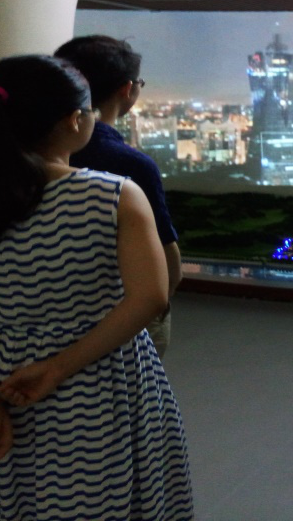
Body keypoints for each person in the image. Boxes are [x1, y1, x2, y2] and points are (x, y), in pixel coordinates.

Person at [0, 55, 194, 519]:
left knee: (6, 494)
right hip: (101, 375)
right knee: (105, 495)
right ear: (75, 120)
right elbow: (150, 297)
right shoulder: (113, 195)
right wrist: (57, 367)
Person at [54, 35, 182, 356]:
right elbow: (166, 255)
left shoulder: (33, 156)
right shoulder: (131, 165)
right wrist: (162, 301)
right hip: (123, 315)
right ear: (127, 89)